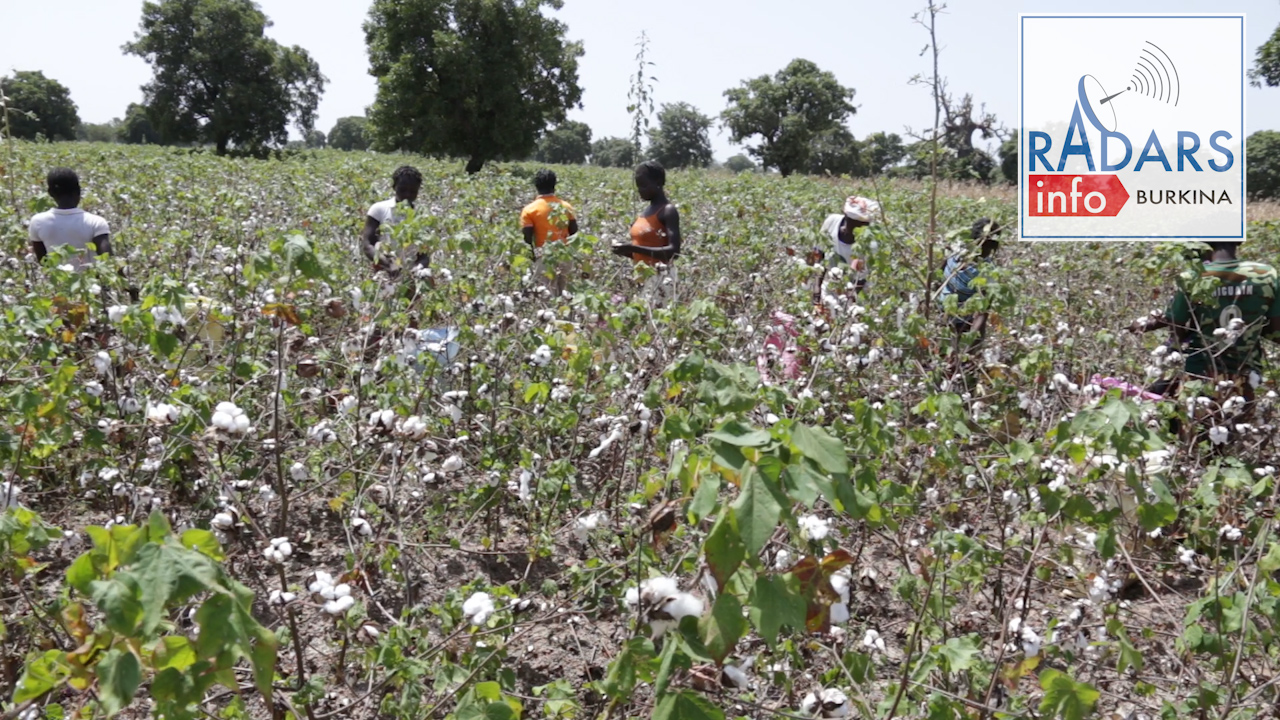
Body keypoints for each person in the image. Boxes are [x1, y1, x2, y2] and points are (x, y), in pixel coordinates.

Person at [1133, 241, 1280, 408]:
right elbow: (1276, 331)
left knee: (1194, 420)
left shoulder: (1192, 277)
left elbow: (1177, 332)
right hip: (1245, 375)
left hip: (1200, 375)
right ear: (1239, 240)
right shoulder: (1266, 274)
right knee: (1237, 419)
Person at [612, 161, 682, 304]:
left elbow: (673, 251)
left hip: (661, 279)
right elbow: (644, 252)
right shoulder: (646, 211)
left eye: (644, 185)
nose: (640, 190)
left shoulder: (667, 211)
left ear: (658, 182)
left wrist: (633, 248)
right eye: (638, 186)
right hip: (642, 276)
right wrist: (625, 251)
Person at [29, 168, 111, 269]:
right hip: (91, 279)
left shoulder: (37, 222)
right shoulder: (95, 222)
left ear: (50, 193)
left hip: (56, 279)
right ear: (79, 190)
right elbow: (108, 261)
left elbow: (43, 262)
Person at [940, 217, 1002, 350]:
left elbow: (940, 271)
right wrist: (970, 346)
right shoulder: (986, 271)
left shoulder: (957, 250)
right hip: (952, 313)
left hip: (949, 312)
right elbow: (982, 312)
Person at [359, 165, 426, 275]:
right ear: (394, 186)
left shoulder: (422, 216)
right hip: (383, 273)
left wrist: (418, 269)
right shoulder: (379, 209)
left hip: (411, 276)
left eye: (412, 191)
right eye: (402, 190)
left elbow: (424, 255)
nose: (407, 195)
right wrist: (388, 264)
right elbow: (367, 245)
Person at [819, 196, 878, 293]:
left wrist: (848, 298)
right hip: (828, 285)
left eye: (863, 226)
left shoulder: (870, 244)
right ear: (846, 218)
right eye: (854, 224)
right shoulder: (831, 222)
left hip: (855, 291)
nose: (858, 229)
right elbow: (819, 255)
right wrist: (817, 289)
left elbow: (860, 280)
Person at [520, 169, 578, 249]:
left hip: (542, 253)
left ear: (536, 186)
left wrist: (533, 255)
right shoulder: (567, 207)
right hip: (564, 253)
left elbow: (527, 239)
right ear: (554, 185)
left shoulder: (529, 210)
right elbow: (574, 235)